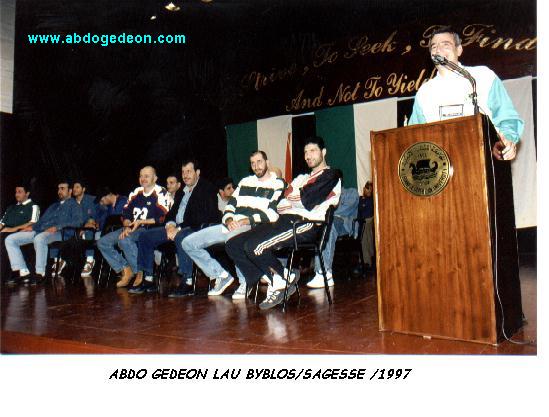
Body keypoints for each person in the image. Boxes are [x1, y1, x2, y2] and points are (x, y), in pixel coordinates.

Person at [225, 136, 341, 310]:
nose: (308, 155)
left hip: (307, 224)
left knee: (254, 247)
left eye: (313, 151)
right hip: (285, 220)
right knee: (233, 244)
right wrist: (295, 198)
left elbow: (305, 201)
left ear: (323, 152)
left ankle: (278, 279)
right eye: (306, 152)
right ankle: (281, 276)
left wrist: (295, 198)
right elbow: (281, 203)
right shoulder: (301, 178)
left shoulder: (331, 175)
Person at [181, 151, 286, 299]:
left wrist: (245, 221)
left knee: (233, 240)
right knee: (188, 242)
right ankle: (221, 275)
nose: (256, 166)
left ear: (267, 163)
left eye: (259, 162)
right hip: (232, 224)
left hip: (252, 225)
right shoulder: (245, 182)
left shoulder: (278, 183)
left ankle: (245, 281)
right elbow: (230, 205)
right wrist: (229, 220)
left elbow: (272, 213)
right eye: (253, 163)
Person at [408, 26, 523, 160]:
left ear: (459, 50)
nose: (438, 50)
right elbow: (412, 136)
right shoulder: (424, 93)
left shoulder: (483, 76)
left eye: (445, 45)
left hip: (485, 159)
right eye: (434, 47)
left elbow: (507, 118)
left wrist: (508, 140)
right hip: (441, 167)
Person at [131, 159, 219, 295]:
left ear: (197, 172)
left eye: (189, 171)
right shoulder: (182, 191)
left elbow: (202, 217)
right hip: (176, 227)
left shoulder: (207, 189)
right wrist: (170, 225)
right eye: (183, 172)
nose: (185, 175)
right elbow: (171, 213)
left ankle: (187, 281)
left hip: (196, 228)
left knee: (181, 236)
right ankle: (148, 279)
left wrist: (178, 229)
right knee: (145, 236)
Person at [97, 166, 171, 288]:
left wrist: (140, 222)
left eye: (147, 176)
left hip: (149, 228)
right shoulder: (136, 192)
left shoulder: (161, 192)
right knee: (102, 242)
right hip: (132, 227)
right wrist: (127, 225)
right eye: (141, 176)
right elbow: (126, 212)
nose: (143, 179)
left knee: (125, 239)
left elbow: (162, 217)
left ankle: (139, 271)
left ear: (155, 178)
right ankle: (126, 269)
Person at [4, 180, 83, 284]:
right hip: (40, 231)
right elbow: (41, 221)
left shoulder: (75, 205)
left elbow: (78, 222)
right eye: (58, 189)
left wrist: (58, 227)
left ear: (70, 191)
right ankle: (22, 271)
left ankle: (40, 273)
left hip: (61, 233)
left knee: (40, 238)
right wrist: (32, 227)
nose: (59, 191)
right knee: (10, 239)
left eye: (62, 189)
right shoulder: (53, 206)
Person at [306, 185, 359, 288]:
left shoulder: (351, 192)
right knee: (319, 225)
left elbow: (347, 210)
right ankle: (318, 271)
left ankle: (325, 272)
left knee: (329, 223)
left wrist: (327, 211)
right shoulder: (326, 194)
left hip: (345, 223)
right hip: (330, 221)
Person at [49, 180, 99, 277]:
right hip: (73, 229)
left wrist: (84, 226)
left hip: (87, 228)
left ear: (83, 189)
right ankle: (58, 260)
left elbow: (92, 218)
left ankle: (90, 260)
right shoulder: (71, 202)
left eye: (77, 187)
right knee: (56, 233)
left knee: (88, 231)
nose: (75, 189)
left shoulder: (90, 200)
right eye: (74, 187)